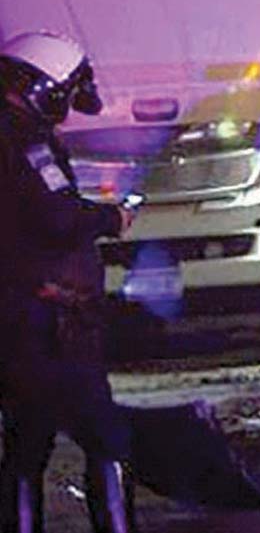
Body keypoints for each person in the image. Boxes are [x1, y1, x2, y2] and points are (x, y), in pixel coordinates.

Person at [0, 32, 137, 532]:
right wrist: (109, 218)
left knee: (25, 446)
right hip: (48, 323)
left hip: (12, 317)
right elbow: (56, 218)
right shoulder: (26, 142)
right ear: (46, 90)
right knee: (108, 439)